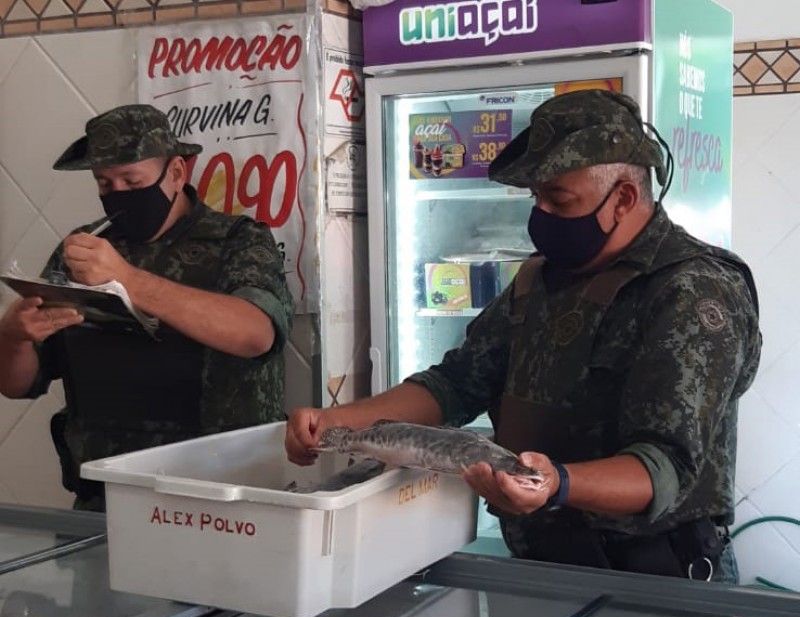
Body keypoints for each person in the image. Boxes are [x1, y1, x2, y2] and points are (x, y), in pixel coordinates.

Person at [286, 89, 761, 583]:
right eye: (536, 197)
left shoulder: (691, 290)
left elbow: (661, 468)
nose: (542, 216)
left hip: (657, 577)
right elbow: (454, 384)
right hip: (546, 564)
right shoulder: (539, 280)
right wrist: (333, 423)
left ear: (622, 197)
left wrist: (558, 484)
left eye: (559, 199)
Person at [0, 105, 294, 511]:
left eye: (131, 180)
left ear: (176, 173)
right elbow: (16, 384)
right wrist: (13, 336)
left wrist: (127, 279)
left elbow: (255, 334)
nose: (118, 194)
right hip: (107, 495)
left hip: (220, 495)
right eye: (104, 183)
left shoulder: (239, 242)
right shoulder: (82, 249)